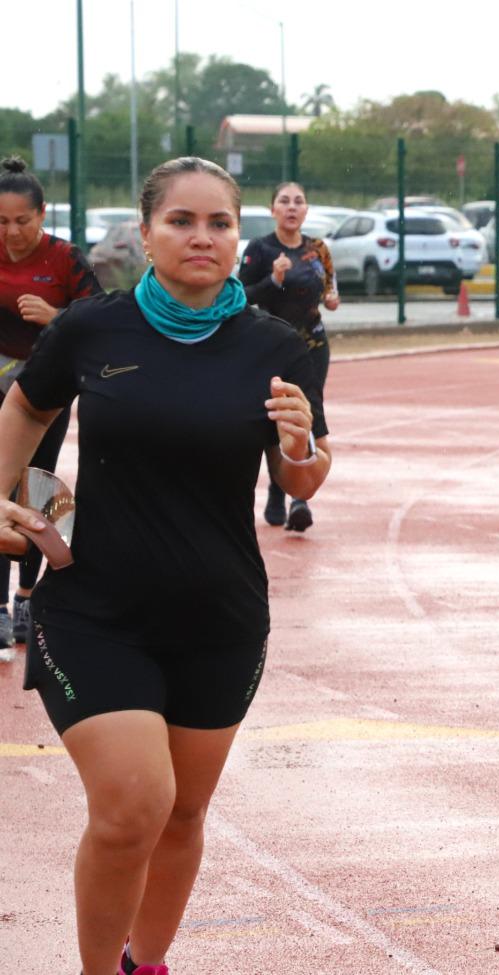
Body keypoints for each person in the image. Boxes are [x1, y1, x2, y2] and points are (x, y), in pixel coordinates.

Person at [0, 156, 329, 975]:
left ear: (237, 234)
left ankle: (143, 963)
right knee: (133, 806)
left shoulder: (277, 344)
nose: (202, 236)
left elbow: (301, 474)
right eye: (181, 220)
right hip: (93, 609)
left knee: (182, 814)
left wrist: (300, 448)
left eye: (220, 222)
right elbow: (25, 404)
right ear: (146, 233)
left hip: (219, 617)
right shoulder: (91, 328)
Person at [0, 156, 102, 660]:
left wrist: (56, 316)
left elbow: (100, 320)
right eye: (1, 222)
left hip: (44, 393)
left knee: (35, 486)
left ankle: (25, 598)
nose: (13, 232)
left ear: (42, 215)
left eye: (22, 220)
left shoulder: (64, 259)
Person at [238, 181, 338, 532]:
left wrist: (331, 298)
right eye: (284, 201)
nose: (292, 207)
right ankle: (279, 492)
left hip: (312, 345)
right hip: (269, 347)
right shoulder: (260, 249)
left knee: (305, 413)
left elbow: (330, 283)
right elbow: (242, 294)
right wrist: (274, 279)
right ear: (273, 210)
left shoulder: (317, 249)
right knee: (274, 418)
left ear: (306, 210)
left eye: (299, 201)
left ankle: (299, 498)